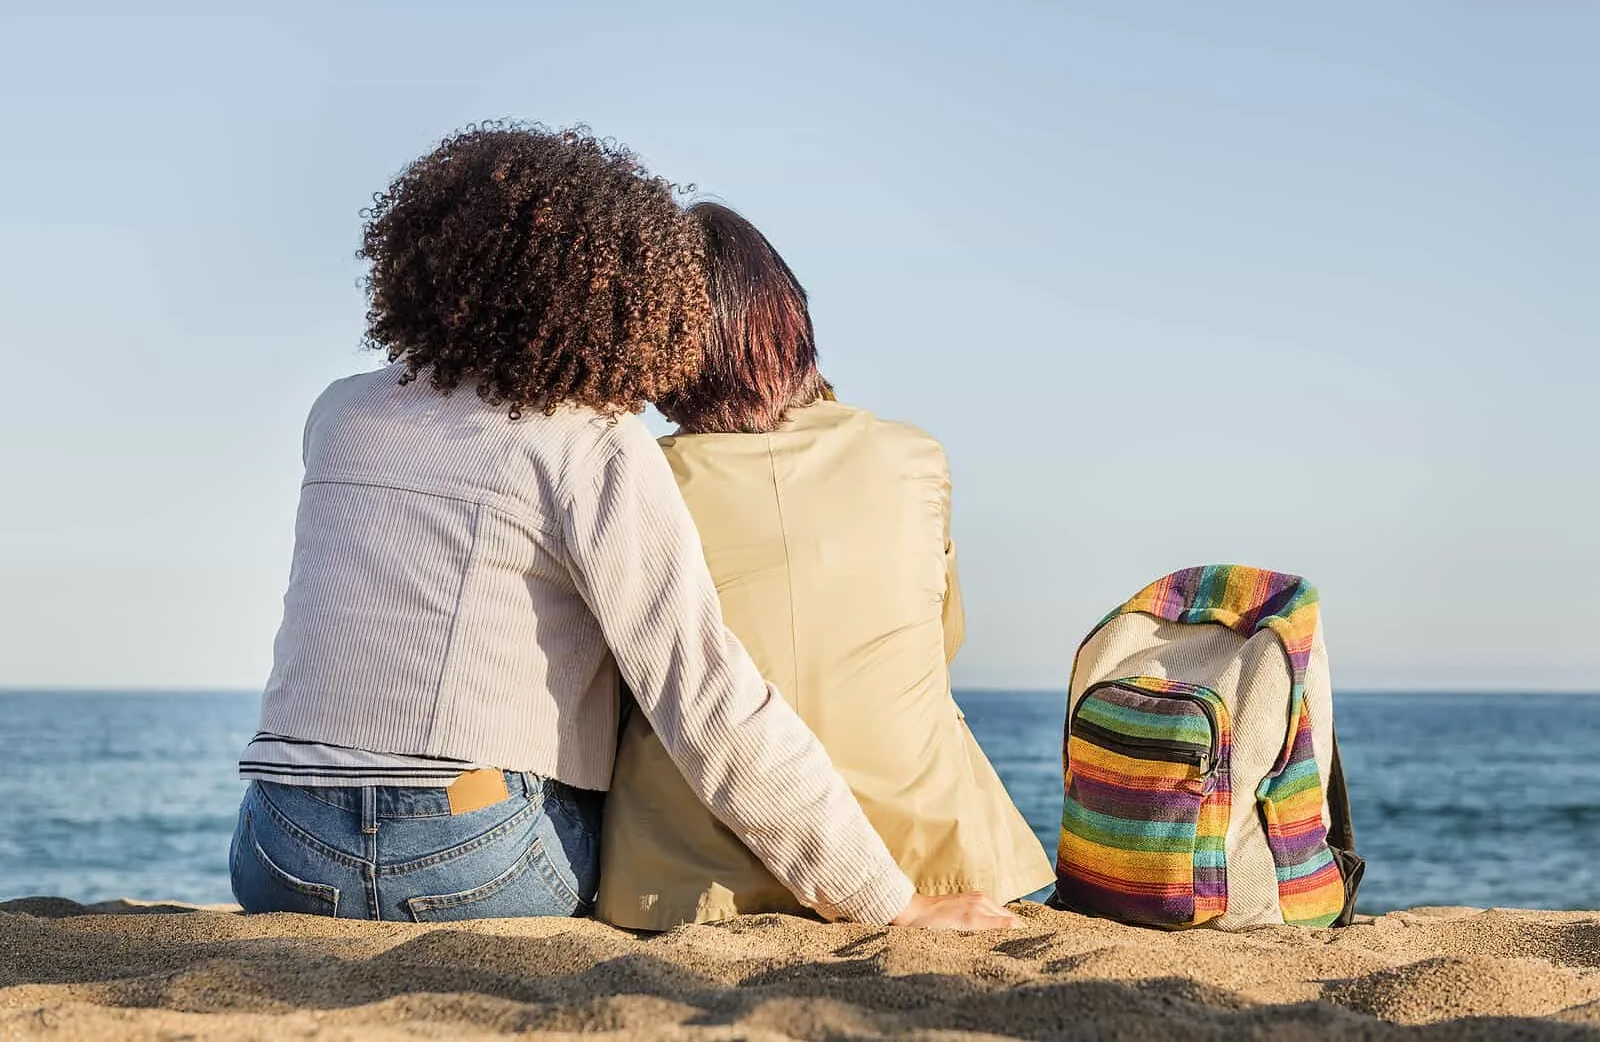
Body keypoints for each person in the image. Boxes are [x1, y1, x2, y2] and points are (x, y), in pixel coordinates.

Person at [229, 123, 1019, 930]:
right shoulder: (591, 445)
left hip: (280, 849)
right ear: (615, 297)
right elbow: (709, 699)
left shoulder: (337, 413)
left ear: (429, 262)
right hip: (473, 857)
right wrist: (891, 902)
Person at [596, 202, 1055, 930]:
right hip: (923, 854)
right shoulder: (914, 458)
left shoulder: (639, 478)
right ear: (791, 320)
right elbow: (940, 644)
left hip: (690, 874)